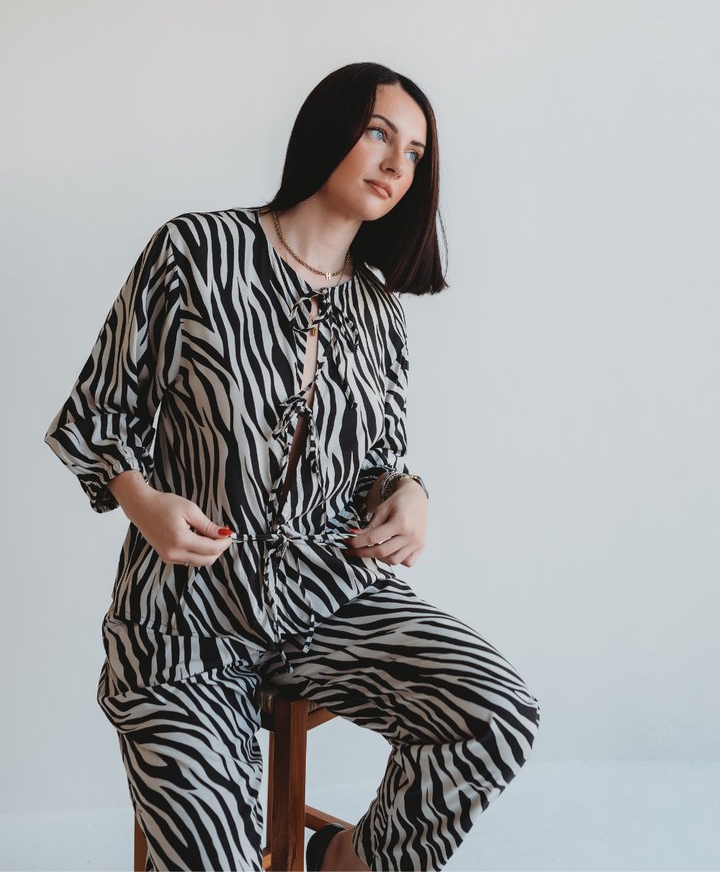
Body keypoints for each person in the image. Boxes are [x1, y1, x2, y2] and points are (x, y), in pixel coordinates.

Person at [45, 62, 540, 872]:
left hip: (327, 599)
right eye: (379, 133)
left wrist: (409, 493)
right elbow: (100, 409)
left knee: (496, 712)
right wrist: (142, 501)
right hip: (184, 618)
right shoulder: (196, 251)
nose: (395, 164)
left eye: (415, 153)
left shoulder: (380, 311)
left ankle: (344, 862)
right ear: (328, 130)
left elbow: (375, 462)